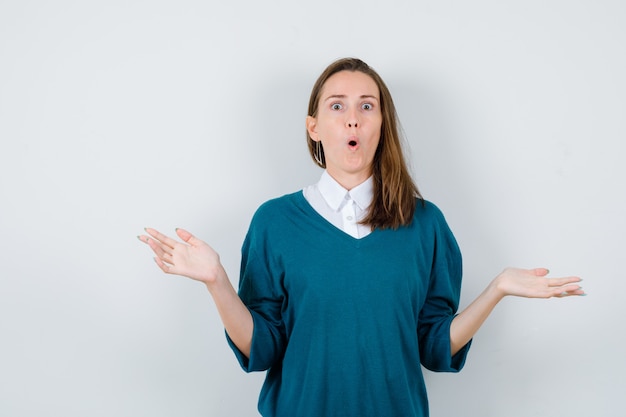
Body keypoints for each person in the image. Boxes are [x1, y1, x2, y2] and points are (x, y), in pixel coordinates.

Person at [138, 57, 584, 417]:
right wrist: (217, 282)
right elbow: (262, 347)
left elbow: (433, 346)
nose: (353, 119)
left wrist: (498, 289)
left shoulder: (425, 224)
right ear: (314, 126)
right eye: (337, 106)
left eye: (366, 106)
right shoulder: (273, 223)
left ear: (382, 123)